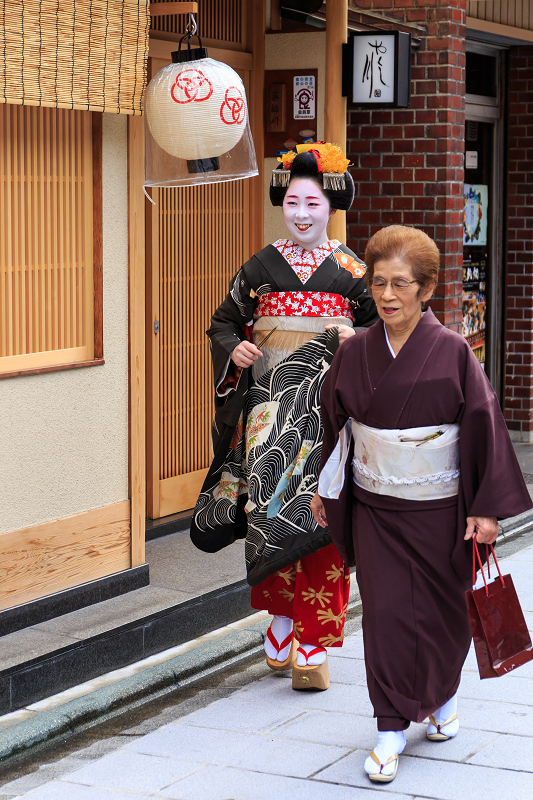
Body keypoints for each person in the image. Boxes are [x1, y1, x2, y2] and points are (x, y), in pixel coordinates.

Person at [311, 224, 533, 782]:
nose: (387, 295)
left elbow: (482, 425)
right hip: (378, 509)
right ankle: (389, 730)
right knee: (386, 616)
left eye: (401, 284)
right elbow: (335, 428)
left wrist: (484, 507)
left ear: (427, 288)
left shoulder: (453, 351)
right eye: (379, 283)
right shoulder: (357, 351)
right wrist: (326, 487)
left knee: (442, 617)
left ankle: (442, 695)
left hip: (439, 511)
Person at [191, 143, 378, 690]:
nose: (301, 213)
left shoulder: (353, 271)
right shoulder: (259, 266)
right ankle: (278, 625)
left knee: (322, 520)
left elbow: (386, 334)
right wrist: (237, 351)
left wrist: (355, 338)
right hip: (269, 416)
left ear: (331, 206)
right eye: (293, 201)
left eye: (312, 202)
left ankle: (313, 648)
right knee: (269, 520)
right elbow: (223, 324)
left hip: (327, 417)